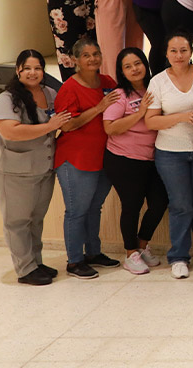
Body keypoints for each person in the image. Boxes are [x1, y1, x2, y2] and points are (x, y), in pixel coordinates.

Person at [0, 50, 71, 286]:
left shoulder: (50, 93)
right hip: (14, 171)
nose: (32, 73)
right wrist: (50, 126)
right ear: (18, 70)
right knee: (17, 222)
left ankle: (36, 262)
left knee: (36, 219)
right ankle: (25, 269)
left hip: (44, 168)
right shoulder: (7, 99)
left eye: (37, 68)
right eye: (27, 68)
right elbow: (10, 131)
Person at [145, 32, 193, 279]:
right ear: (166, 53)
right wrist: (181, 117)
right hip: (170, 153)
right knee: (180, 205)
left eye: (184, 50)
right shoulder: (158, 81)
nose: (179, 55)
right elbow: (151, 121)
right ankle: (178, 256)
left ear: (191, 52)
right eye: (174, 51)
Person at [54, 37, 121, 279]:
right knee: (77, 211)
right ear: (75, 60)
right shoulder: (69, 88)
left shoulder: (107, 82)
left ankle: (93, 252)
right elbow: (67, 125)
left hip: (103, 157)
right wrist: (98, 108)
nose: (92, 59)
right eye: (86, 55)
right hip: (76, 159)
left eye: (96, 54)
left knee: (94, 208)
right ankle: (74, 261)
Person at [101, 47, 166, 275]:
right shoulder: (120, 95)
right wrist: (140, 113)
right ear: (122, 72)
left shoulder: (155, 87)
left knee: (160, 202)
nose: (134, 69)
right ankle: (130, 254)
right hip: (124, 159)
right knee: (132, 205)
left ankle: (141, 244)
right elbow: (110, 128)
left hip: (152, 158)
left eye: (137, 63)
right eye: (127, 66)